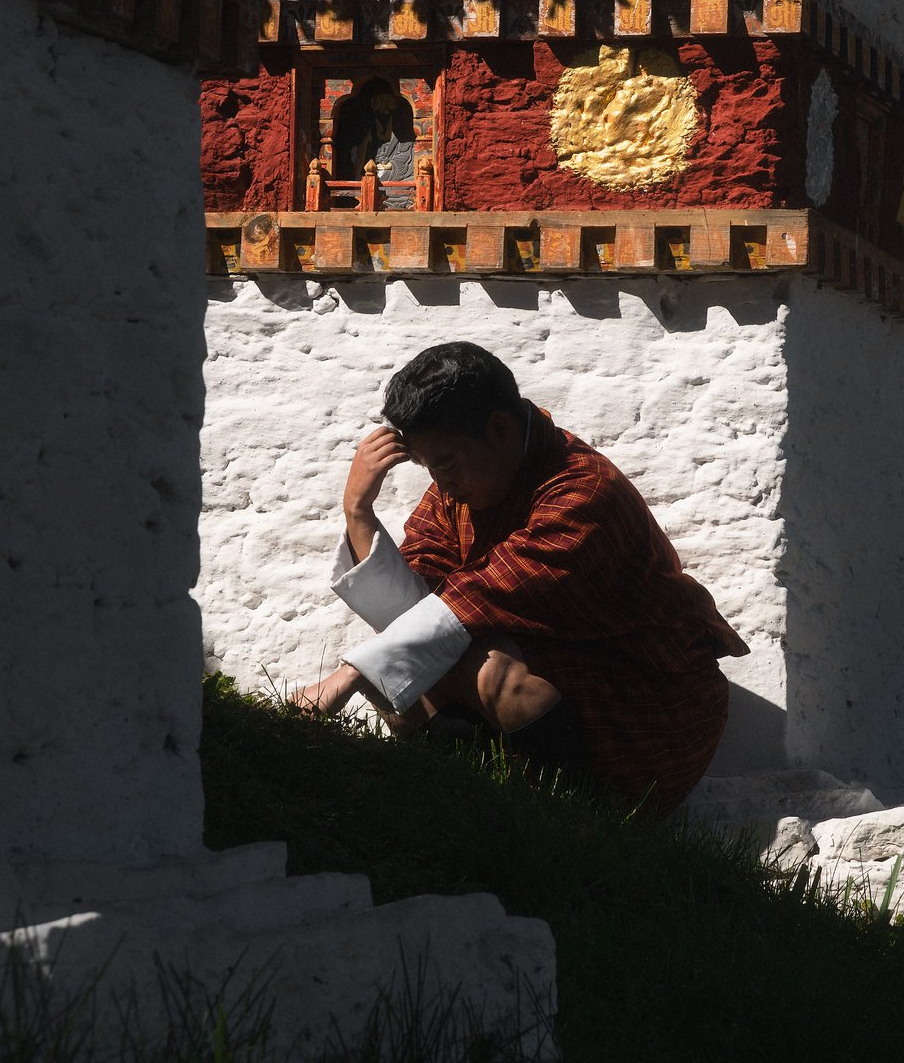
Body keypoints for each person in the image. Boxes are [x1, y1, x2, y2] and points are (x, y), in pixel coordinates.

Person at [291, 342, 746, 814]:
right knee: (410, 668)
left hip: (650, 713)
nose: (440, 484)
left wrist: (350, 673)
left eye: (444, 464)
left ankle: (578, 824)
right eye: (429, 468)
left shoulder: (584, 493)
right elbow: (412, 608)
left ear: (500, 429)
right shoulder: (465, 486)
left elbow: (471, 600)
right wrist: (358, 511)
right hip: (560, 693)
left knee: (480, 666)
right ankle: (458, 804)